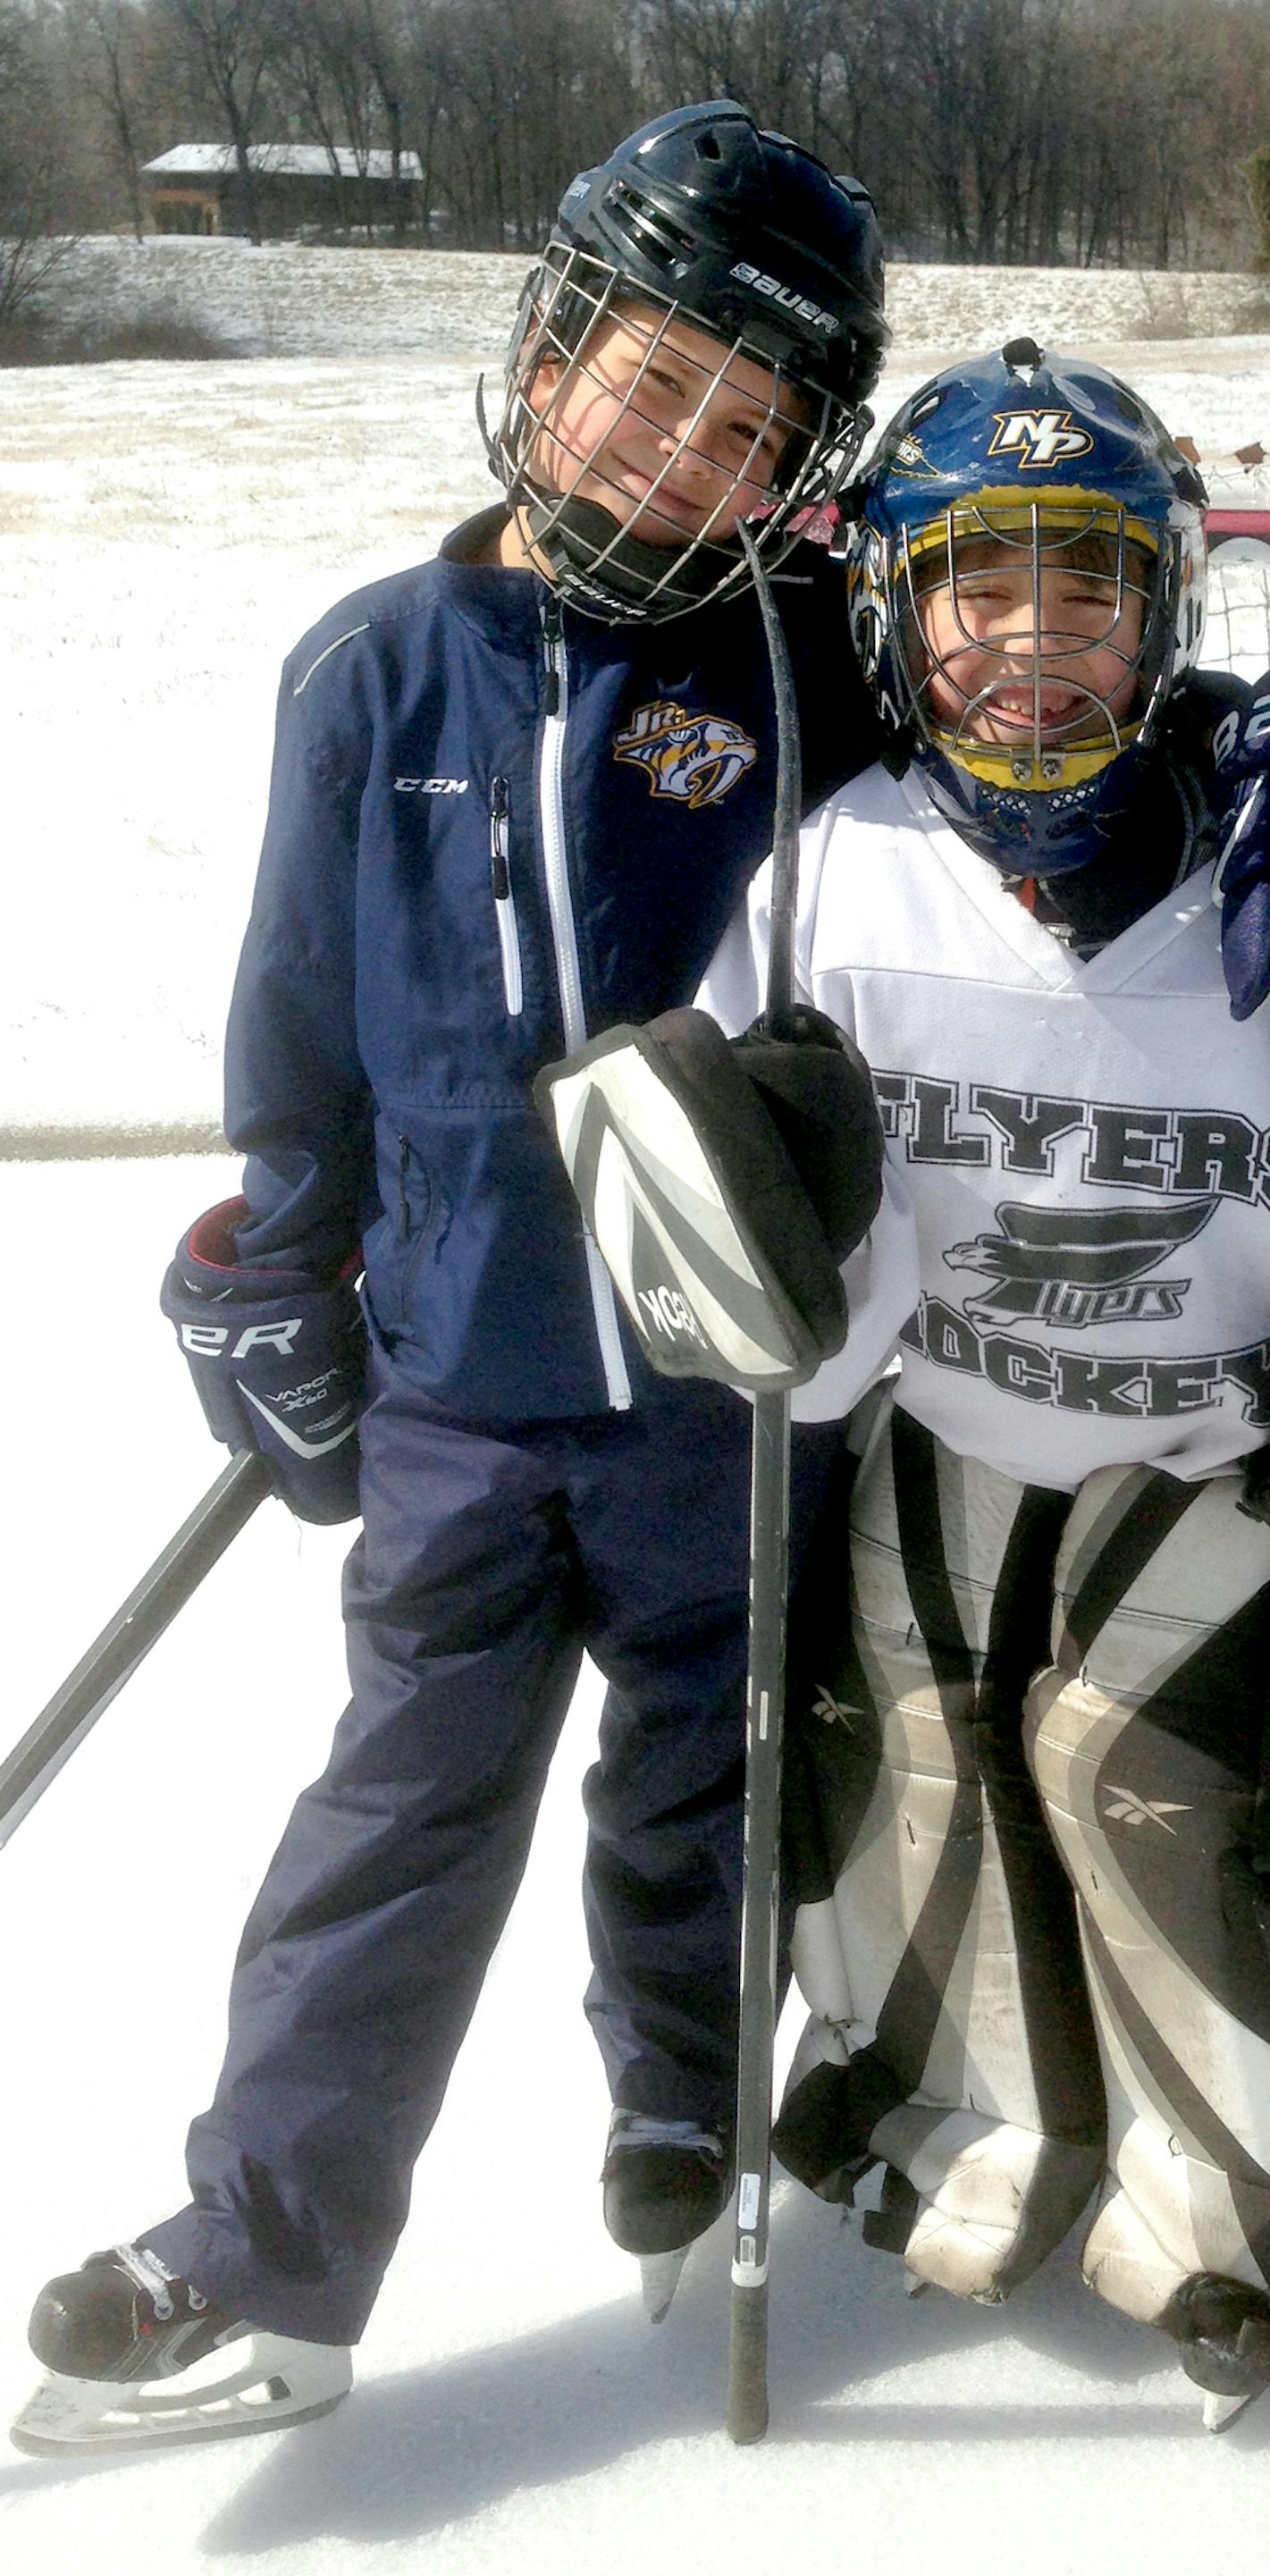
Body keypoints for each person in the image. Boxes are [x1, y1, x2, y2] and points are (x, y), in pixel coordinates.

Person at [544, 342, 1270, 2422]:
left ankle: (1268, 2210)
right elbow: (774, 1249)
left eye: (1090, 588)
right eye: (978, 584)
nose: (1033, 641)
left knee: (1151, 1786)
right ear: (893, 605)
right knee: (924, 1764)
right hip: (944, 1430)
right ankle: (968, 2138)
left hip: (1222, 1447)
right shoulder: (827, 866)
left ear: (1167, 610)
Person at [14, 102, 889, 2456]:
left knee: (703, 1790)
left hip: (729, 1391)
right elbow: (294, 1017)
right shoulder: (375, 669)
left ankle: (682, 2124)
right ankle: (270, 2256)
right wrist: (271, 1265)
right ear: (548, 347)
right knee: (396, 1818)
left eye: (750, 427)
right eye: (653, 378)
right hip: (462, 1398)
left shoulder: (808, 668)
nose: (685, 446)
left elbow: (1022, 776)